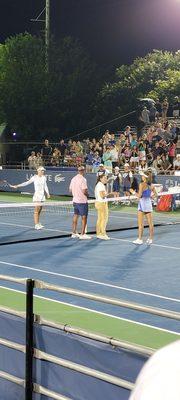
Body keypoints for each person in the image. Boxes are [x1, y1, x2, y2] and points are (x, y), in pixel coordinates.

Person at [132, 171, 155, 245]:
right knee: (150, 223)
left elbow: (139, 196)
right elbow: (156, 194)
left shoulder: (141, 184)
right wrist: (150, 196)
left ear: (145, 177)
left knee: (140, 224)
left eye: (142, 175)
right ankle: (151, 239)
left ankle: (140, 239)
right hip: (148, 204)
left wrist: (132, 192)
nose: (141, 176)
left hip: (142, 205)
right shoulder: (151, 185)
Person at [69, 166, 91, 240]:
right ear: (83, 171)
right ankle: (82, 234)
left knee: (75, 215)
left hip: (75, 201)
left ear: (78, 171)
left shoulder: (73, 179)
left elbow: (70, 190)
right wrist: (88, 195)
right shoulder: (83, 179)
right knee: (84, 217)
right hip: (82, 201)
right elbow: (84, 191)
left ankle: (74, 233)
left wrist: (75, 194)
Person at [94, 172, 110, 240]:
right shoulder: (101, 185)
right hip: (102, 204)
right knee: (104, 219)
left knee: (100, 219)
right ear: (100, 179)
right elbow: (102, 196)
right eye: (105, 178)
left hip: (99, 203)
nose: (106, 179)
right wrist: (110, 193)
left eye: (106, 178)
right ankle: (103, 234)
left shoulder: (100, 184)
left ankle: (99, 233)